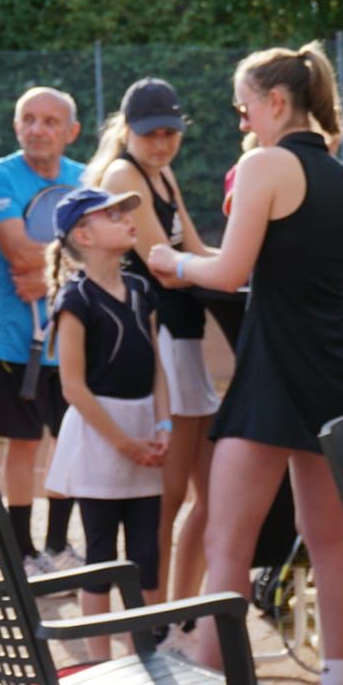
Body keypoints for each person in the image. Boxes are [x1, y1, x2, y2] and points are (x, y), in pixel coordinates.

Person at [148, 41, 343, 685]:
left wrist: (170, 261)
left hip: (274, 376)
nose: (241, 119)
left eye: (244, 106)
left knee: (228, 541)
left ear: (276, 102)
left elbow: (229, 272)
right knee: (329, 538)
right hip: (338, 376)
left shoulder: (264, 165)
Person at [84, 79, 218, 602]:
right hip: (161, 341)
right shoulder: (124, 175)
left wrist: (247, 262)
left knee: (213, 494)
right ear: (127, 130)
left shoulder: (163, 173)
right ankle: (155, 617)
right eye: (150, 134)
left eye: (169, 133)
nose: (161, 143)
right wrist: (231, 270)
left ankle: (182, 609)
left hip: (187, 337)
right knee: (169, 496)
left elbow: (195, 247)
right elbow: (165, 265)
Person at [43, 188, 169, 661]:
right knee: (100, 556)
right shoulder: (75, 300)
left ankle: (149, 655)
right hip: (99, 441)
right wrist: (124, 443)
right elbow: (73, 387)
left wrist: (163, 426)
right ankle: (100, 663)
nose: (126, 220)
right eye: (111, 216)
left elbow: (157, 365)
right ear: (83, 235)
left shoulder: (140, 290)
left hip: (145, 434)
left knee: (147, 554)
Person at [0, 87, 85, 572]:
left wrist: (53, 276)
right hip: (10, 340)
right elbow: (19, 252)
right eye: (29, 119)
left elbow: (105, 252)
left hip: (71, 340)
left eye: (50, 121)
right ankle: (21, 553)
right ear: (16, 126)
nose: (38, 129)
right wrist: (72, 263)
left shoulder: (86, 178)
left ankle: (58, 546)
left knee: (70, 441)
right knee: (24, 443)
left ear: (71, 131)